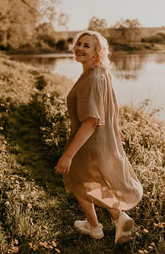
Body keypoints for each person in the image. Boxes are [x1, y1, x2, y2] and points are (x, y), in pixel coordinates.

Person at [55, 30, 143, 244]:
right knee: (90, 181)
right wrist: (115, 128)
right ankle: (118, 219)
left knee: (77, 181)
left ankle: (96, 226)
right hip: (103, 138)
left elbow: (91, 121)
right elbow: (113, 104)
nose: (80, 48)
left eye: (87, 46)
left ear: (97, 53)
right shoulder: (100, 73)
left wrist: (68, 155)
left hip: (87, 141)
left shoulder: (92, 79)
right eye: (79, 43)